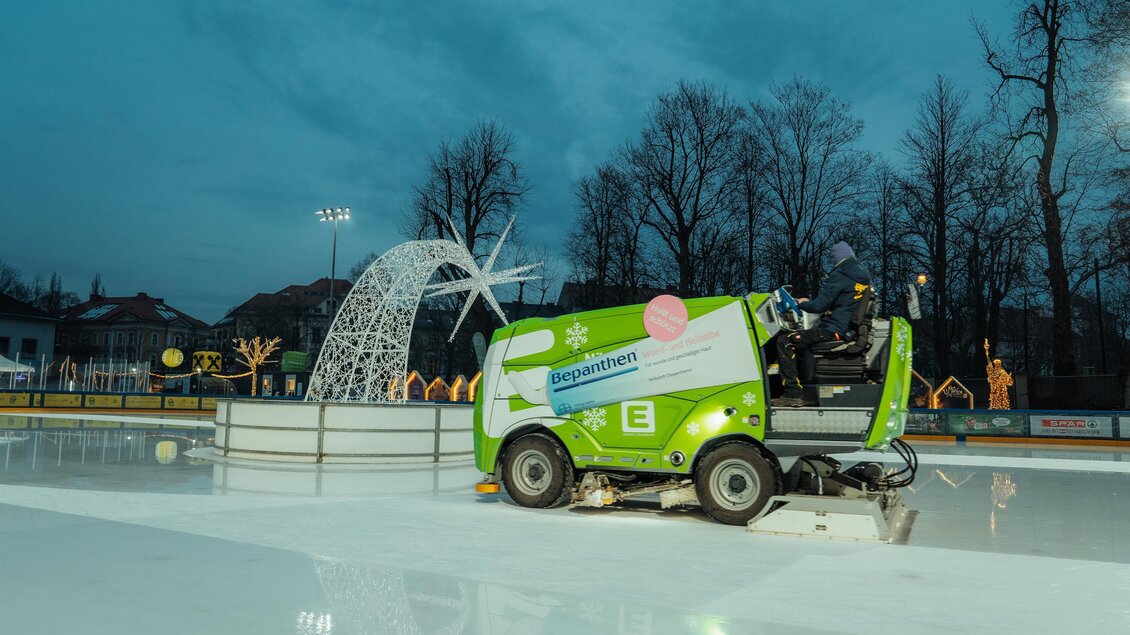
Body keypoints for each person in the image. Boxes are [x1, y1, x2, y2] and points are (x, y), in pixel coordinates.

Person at [772, 241, 872, 407]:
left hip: (833, 329)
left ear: (837, 257)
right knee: (801, 343)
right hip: (844, 328)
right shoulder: (860, 276)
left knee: (785, 341)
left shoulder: (841, 274)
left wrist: (800, 303)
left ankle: (792, 393)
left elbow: (819, 306)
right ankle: (805, 386)